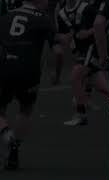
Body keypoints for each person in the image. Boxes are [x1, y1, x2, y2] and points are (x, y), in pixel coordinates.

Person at [0, 0, 56, 169]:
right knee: (26, 109)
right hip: (30, 72)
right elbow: (58, 50)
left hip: (6, 68)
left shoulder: (5, 18)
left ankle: (7, 135)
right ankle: (15, 146)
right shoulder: (44, 20)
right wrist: (56, 72)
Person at [57, 0, 109, 126]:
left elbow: (103, 24)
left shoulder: (87, 9)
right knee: (103, 88)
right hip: (81, 52)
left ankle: (81, 115)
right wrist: (65, 38)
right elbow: (65, 35)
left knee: (75, 76)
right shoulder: (61, 14)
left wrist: (88, 33)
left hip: (92, 48)